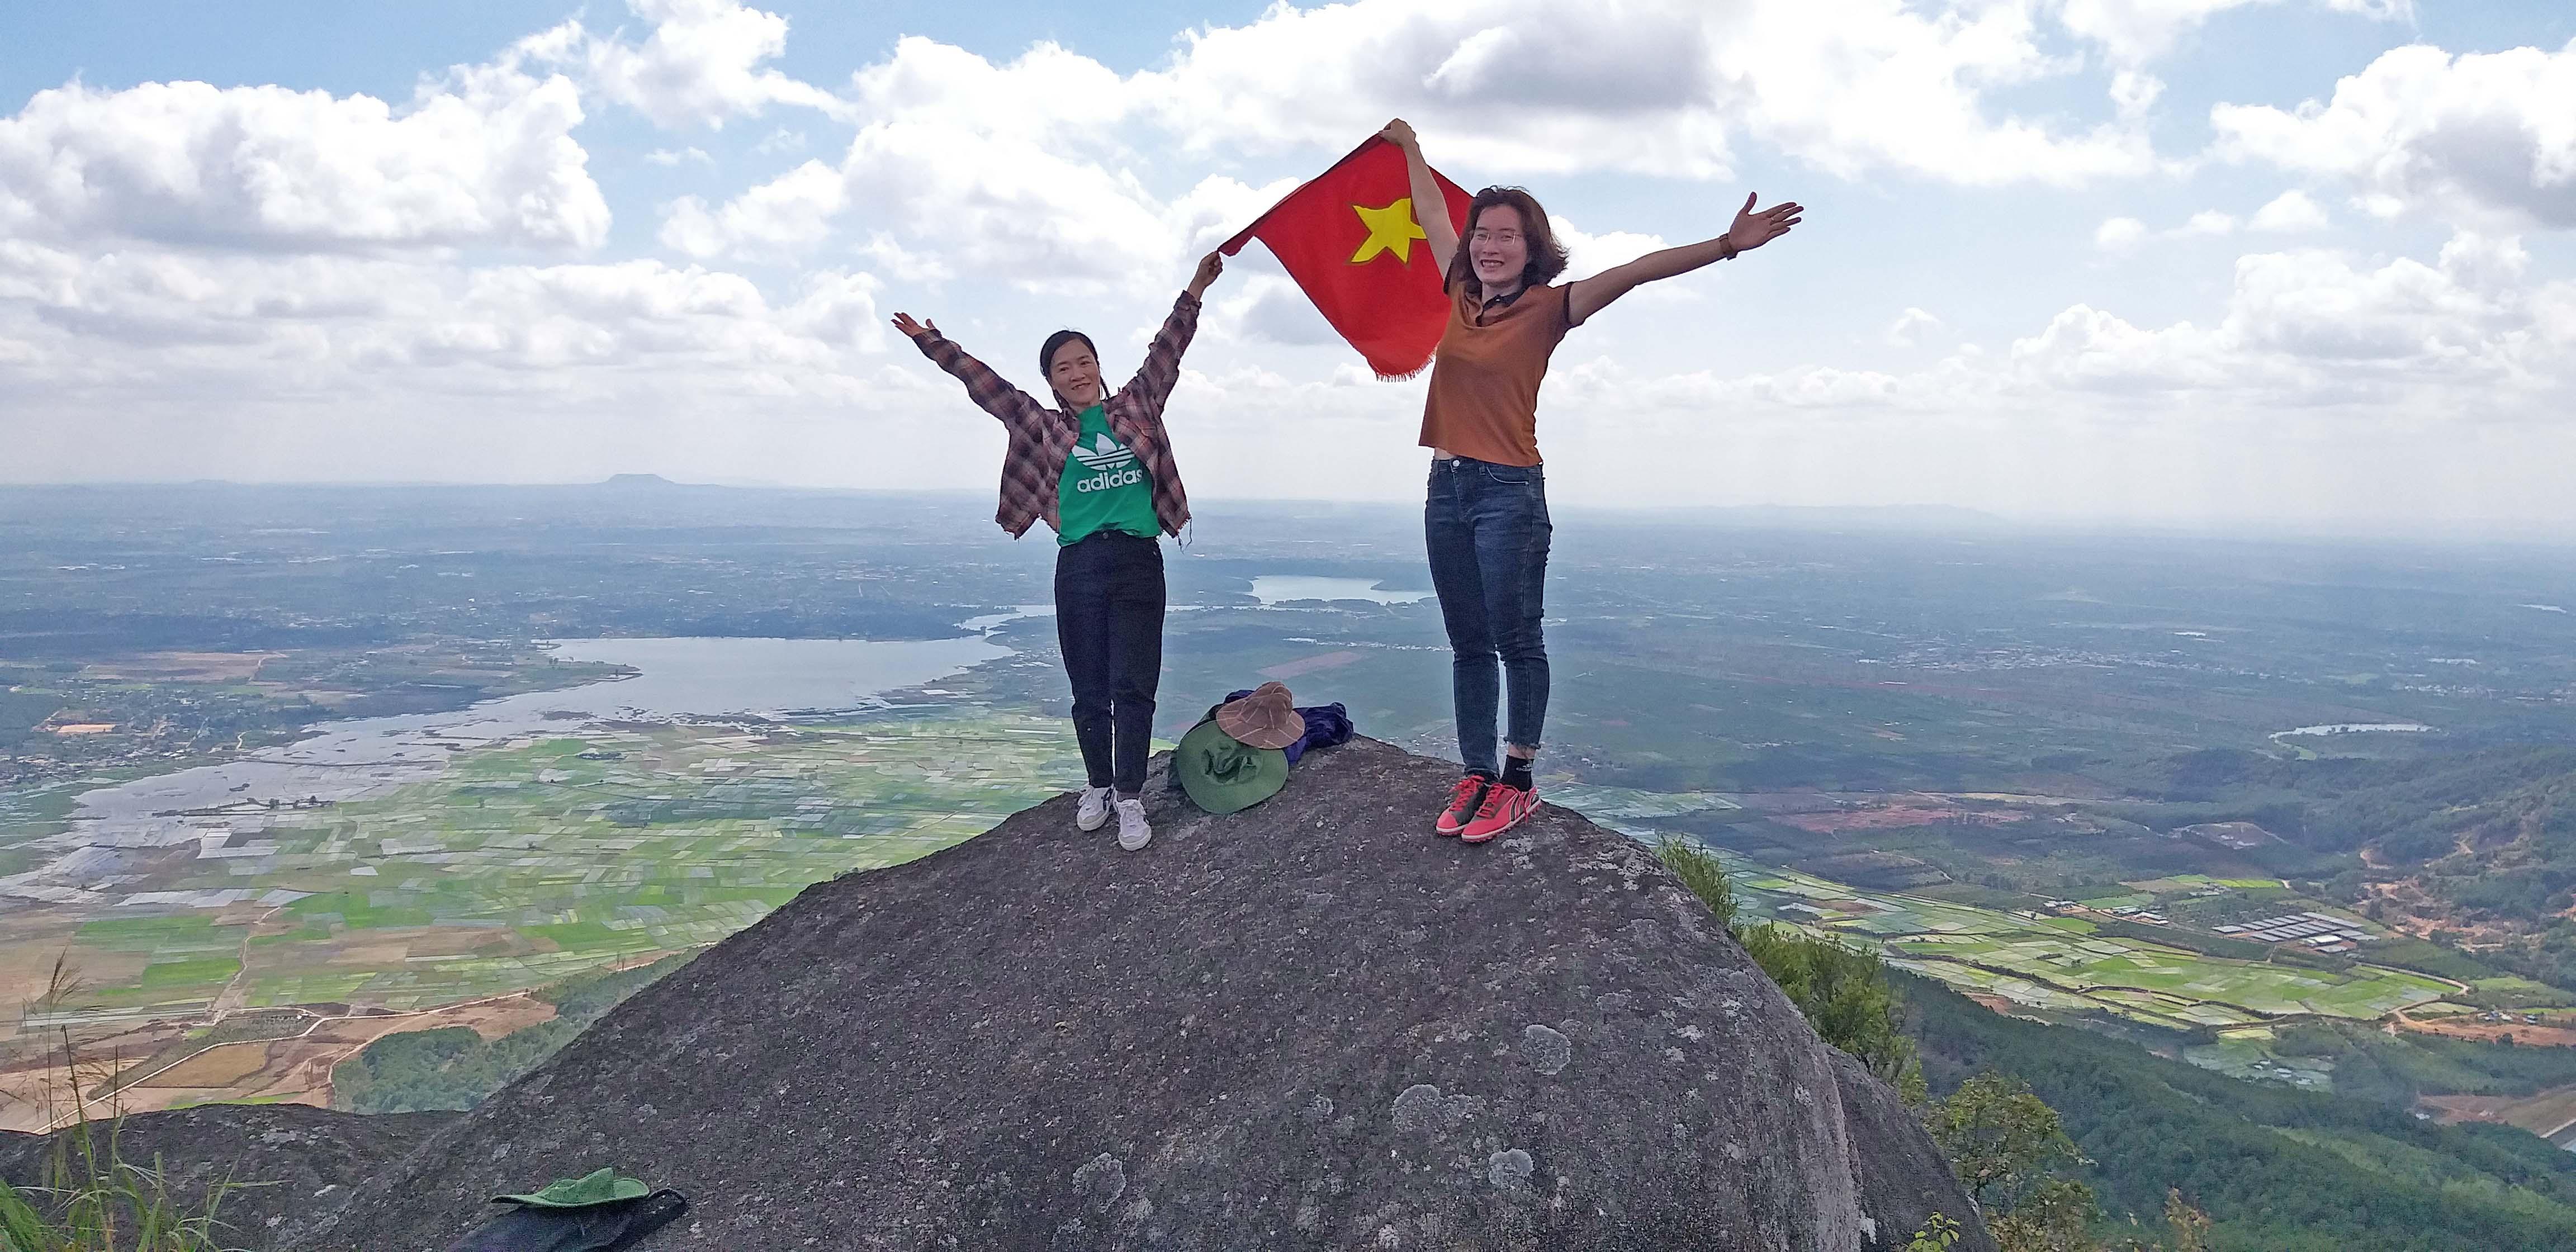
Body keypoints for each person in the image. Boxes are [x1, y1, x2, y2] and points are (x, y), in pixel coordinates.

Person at [1381, 118, 1804, 845]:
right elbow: (1427, 214)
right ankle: (1476, 774)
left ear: (1531, 246)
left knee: (1518, 638)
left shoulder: (1553, 307)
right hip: (1444, 489)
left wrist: (1727, 246)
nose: (1488, 245)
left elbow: (1637, 271)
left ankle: (1518, 781)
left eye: (1506, 235)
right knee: (1467, 643)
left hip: (1508, 492)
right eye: (1482, 233)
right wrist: (1411, 150)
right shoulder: (1459, 290)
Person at [891, 251, 1227, 852]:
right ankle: (1097, 784)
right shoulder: (1042, 426)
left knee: (1135, 684)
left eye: (1084, 361)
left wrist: (1197, 287)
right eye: (1063, 367)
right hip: (1080, 565)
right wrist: (930, 341)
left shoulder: (1138, 405)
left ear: (1099, 367)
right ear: (1050, 380)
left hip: (1137, 560)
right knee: (1088, 685)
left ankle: (1130, 795)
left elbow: (1168, 348)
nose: (1076, 372)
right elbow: (983, 384)